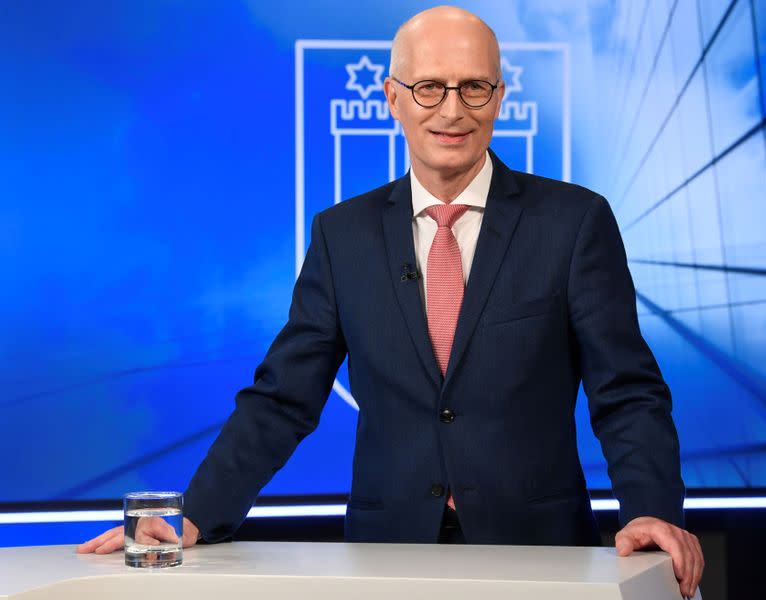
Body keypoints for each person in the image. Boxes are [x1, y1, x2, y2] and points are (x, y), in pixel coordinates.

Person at [78, 6, 704, 597]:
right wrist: (197, 514)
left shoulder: (573, 222)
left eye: (474, 88)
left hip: (542, 557)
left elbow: (627, 393)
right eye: (430, 87)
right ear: (393, 98)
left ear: (501, 98)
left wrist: (651, 512)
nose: (452, 110)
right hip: (387, 556)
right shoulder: (341, 235)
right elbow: (282, 399)